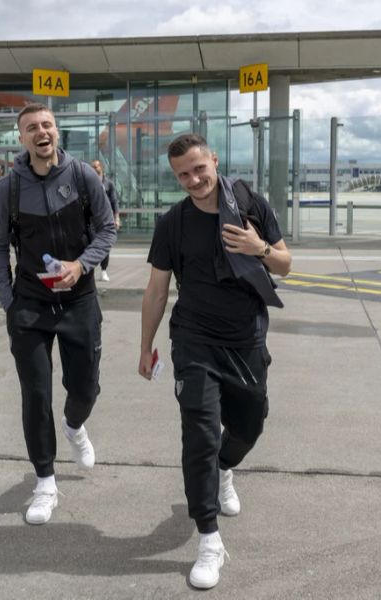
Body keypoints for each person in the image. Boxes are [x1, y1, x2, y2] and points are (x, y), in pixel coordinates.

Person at [137, 133, 291, 589]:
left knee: (249, 425)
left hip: (245, 337)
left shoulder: (249, 205)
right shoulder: (173, 224)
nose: (193, 180)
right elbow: (157, 289)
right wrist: (145, 346)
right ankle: (208, 537)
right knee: (199, 433)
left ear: (214, 161)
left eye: (198, 169)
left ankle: (226, 469)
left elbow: (285, 264)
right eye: (182, 174)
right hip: (194, 339)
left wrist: (258, 249)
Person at [0, 103, 116, 526]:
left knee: (86, 388)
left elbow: (107, 228)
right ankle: (45, 482)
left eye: (47, 125)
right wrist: (9, 302)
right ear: (22, 139)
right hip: (29, 305)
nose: (41, 133)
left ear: (56, 132)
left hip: (79, 301)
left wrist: (82, 265)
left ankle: (75, 426)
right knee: (35, 395)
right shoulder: (9, 187)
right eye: (31, 128)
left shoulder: (83, 176)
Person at [90, 159, 120, 281]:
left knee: (104, 246)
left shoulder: (109, 184)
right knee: (90, 245)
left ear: (101, 168)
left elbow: (114, 201)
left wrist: (116, 218)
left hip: (104, 220)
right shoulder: (88, 183)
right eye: (92, 167)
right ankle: (89, 272)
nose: (94, 169)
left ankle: (103, 271)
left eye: (96, 166)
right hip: (91, 220)